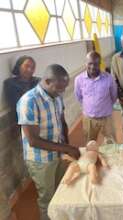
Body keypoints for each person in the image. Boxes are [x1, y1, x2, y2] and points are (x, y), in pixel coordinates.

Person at [17, 64, 80, 220]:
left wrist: (66, 146)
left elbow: (62, 121)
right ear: (46, 81)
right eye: (59, 88)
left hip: (57, 154)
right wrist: (66, 148)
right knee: (48, 199)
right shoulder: (29, 101)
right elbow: (33, 140)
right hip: (40, 160)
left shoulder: (56, 96)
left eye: (64, 88)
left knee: (61, 191)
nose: (62, 92)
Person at [74, 51, 117, 143]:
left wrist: (103, 107)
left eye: (96, 64)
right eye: (90, 63)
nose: (93, 67)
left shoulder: (109, 78)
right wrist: (90, 107)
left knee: (112, 144)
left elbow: (114, 96)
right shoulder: (79, 80)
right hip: (89, 119)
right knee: (90, 145)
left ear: (100, 64)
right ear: (86, 63)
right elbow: (79, 96)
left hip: (106, 118)